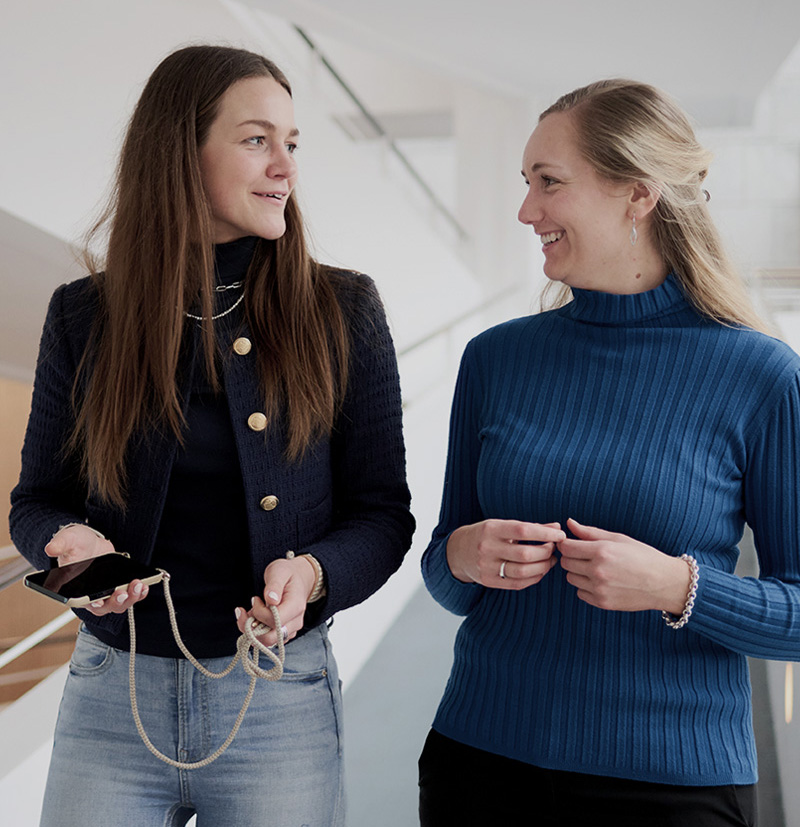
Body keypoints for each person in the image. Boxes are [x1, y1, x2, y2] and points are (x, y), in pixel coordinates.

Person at [10, 44, 414, 827]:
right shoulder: (81, 315)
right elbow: (37, 499)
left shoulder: (344, 309)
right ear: (178, 151)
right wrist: (68, 541)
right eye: (258, 139)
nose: (285, 167)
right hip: (109, 700)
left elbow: (382, 513)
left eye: (292, 144)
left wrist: (314, 572)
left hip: (276, 702)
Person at [418, 79, 800, 827]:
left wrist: (677, 586)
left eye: (549, 184)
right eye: (526, 184)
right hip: (481, 760)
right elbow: (447, 573)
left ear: (637, 194)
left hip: (671, 785)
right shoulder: (495, 358)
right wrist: (463, 553)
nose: (526, 211)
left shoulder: (760, 373)